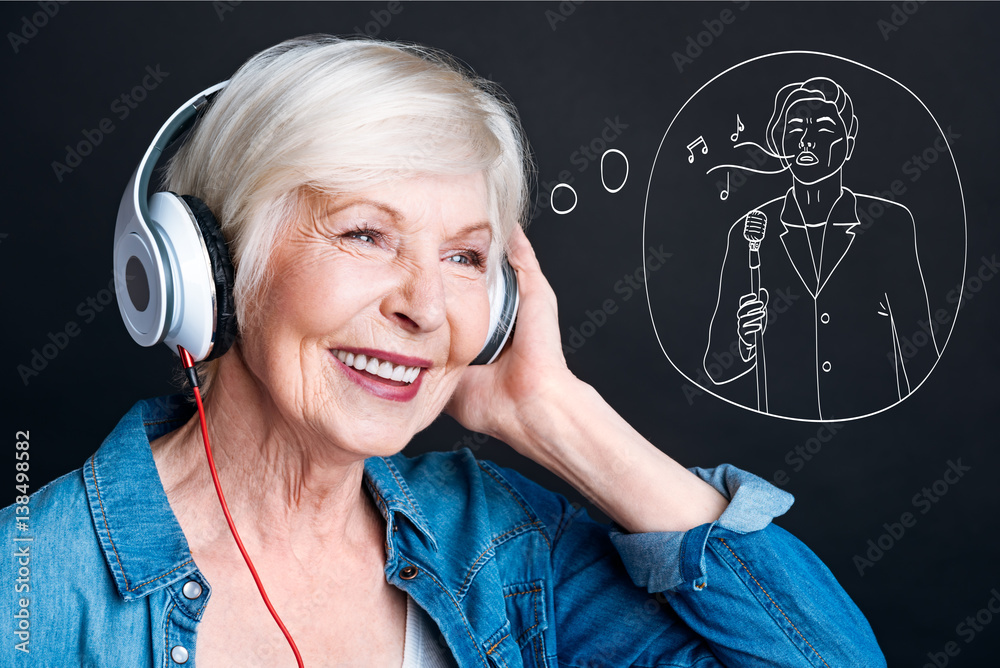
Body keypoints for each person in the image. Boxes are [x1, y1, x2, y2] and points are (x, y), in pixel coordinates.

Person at [1, 37, 886, 666]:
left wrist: (553, 413)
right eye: (364, 235)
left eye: (465, 257)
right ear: (212, 271)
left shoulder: (496, 546)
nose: (426, 307)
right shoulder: (30, 588)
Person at [704, 77, 938, 420]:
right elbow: (715, 367)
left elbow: (921, 356)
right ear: (780, 142)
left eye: (825, 128)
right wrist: (744, 341)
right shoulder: (751, 231)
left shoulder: (889, 223)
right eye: (795, 128)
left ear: (848, 142)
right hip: (778, 445)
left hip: (879, 436)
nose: (807, 140)